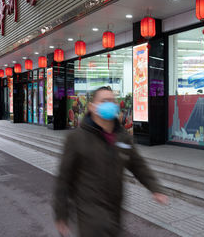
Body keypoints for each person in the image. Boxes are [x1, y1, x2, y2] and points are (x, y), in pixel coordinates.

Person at [53, 86, 168, 237]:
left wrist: (155, 187)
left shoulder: (122, 137)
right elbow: (64, 179)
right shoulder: (76, 138)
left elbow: (137, 164)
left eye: (112, 101)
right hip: (89, 213)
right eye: (104, 101)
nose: (110, 104)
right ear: (92, 107)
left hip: (115, 210)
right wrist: (61, 214)